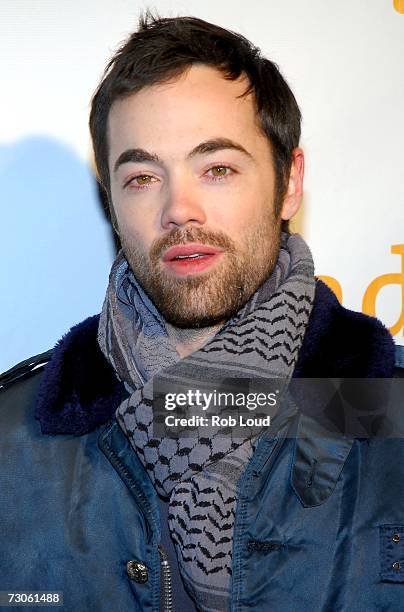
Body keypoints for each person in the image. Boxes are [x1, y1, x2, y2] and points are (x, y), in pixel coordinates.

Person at [1, 13, 403, 612]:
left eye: (217, 168)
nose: (179, 208)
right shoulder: (15, 442)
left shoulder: (391, 414)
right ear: (110, 199)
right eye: (141, 177)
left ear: (289, 182)